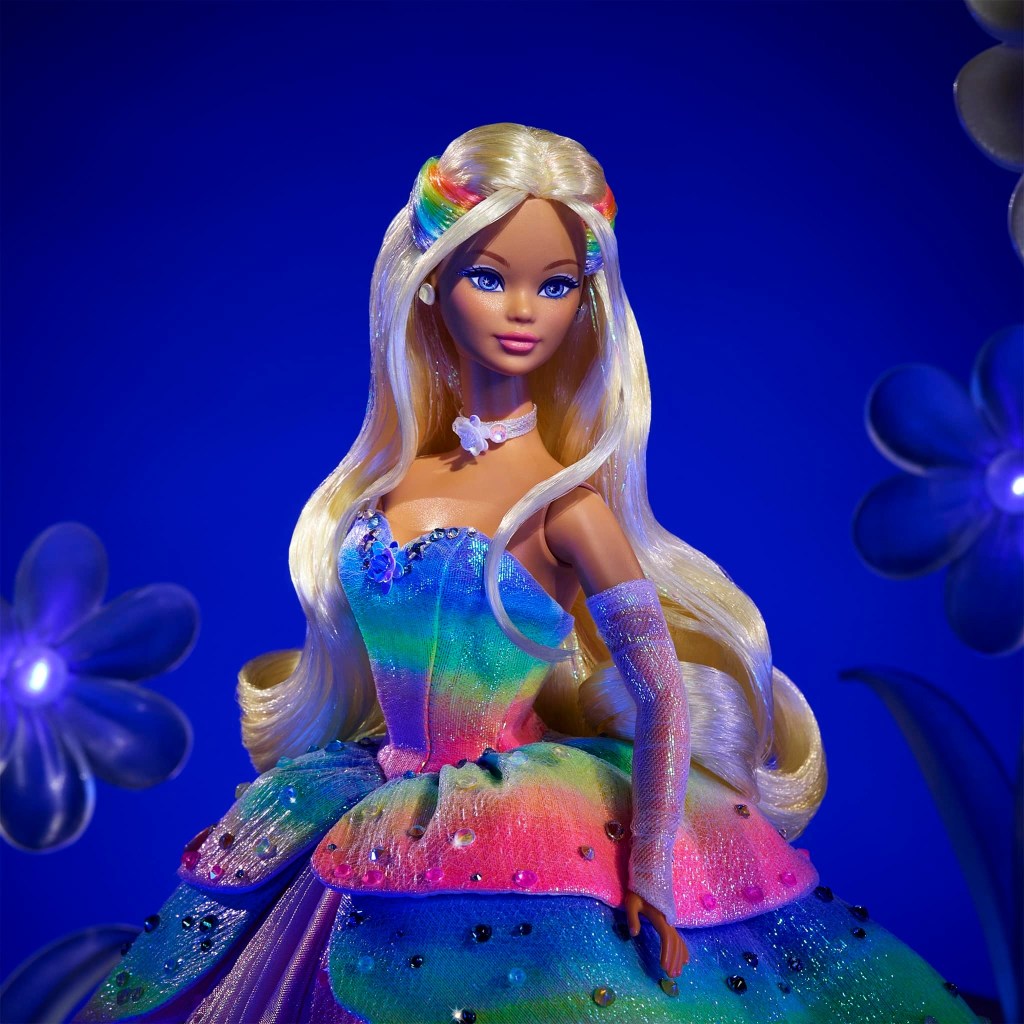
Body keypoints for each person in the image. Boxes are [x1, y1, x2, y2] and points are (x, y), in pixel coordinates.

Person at [77, 123, 980, 1023]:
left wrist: (652, 874)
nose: (522, 311)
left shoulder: (567, 510)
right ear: (430, 283)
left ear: (585, 304)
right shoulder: (381, 486)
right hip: (366, 799)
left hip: (519, 824)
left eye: (554, 286)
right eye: (489, 277)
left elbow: (661, 695)